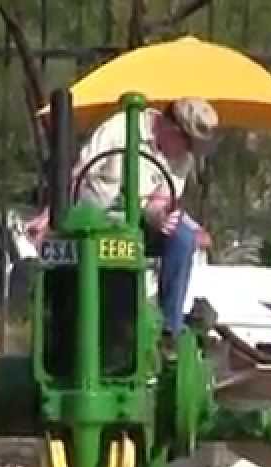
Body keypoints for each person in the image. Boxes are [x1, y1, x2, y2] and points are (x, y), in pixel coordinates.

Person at [25, 97, 218, 344]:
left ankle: (169, 331)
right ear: (173, 130)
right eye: (188, 145)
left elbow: (161, 199)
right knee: (66, 256)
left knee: (183, 238)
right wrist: (48, 217)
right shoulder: (120, 129)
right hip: (93, 219)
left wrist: (160, 216)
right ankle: (61, 331)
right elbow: (79, 170)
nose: (189, 153)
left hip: (139, 222)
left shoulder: (183, 159)